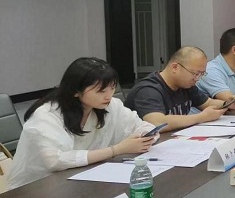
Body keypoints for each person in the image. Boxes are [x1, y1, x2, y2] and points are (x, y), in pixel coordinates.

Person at [8, 58, 158, 189]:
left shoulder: (111, 105)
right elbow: (54, 161)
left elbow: (142, 125)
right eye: (101, 91)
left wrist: (145, 136)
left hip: (84, 177)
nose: (108, 96)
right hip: (37, 187)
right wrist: (117, 150)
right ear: (75, 91)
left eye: (112, 88)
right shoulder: (47, 114)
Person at [125, 46, 235, 131]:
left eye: (201, 74)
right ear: (175, 67)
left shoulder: (186, 85)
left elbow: (207, 103)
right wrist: (201, 117)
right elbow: (157, 122)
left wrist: (228, 104)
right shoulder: (149, 90)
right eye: (195, 73)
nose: (197, 79)